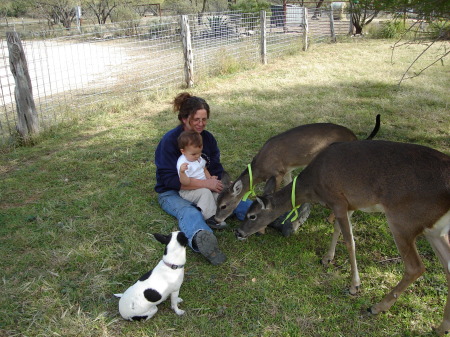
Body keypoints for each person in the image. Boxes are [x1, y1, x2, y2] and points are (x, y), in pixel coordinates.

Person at [154, 92, 251, 265]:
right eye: (196, 119)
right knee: (189, 212)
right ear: (184, 119)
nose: (201, 124)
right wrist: (206, 184)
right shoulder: (169, 141)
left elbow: (214, 166)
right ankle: (203, 238)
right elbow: (169, 180)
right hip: (172, 192)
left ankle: (275, 217)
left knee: (228, 200)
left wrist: (219, 182)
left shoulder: (208, 138)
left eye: (204, 119)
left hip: (204, 187)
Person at [176, 130, 226, 229]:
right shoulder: (183, 163)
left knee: (217, 191)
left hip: (202, 186)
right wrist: (182, 172)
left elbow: (204, 168)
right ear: (183, 151)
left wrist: (209, 178)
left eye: (199, 152)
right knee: (205, 192)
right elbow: (185, 183)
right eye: (194, 154)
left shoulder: (198, 158)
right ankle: (210, 218)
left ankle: (219, 211)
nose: (197, 156)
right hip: (188, 191)